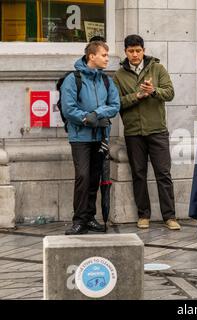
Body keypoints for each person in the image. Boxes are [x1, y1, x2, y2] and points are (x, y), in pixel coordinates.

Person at [113, 34, 181, 230]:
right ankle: (144, 215)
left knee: (163, 173)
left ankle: (170, 216)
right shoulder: (119, 75)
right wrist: (137, 95)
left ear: (143, 50)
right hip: (134, 132)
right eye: (130, 51)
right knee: (139, 174)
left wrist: (153, 91)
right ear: (125, 52)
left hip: (157, 130)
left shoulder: (157, 68)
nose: (135, 55)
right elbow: (117, 103)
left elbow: (170, 93)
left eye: (138, 51)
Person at [62, 40, 120, 235]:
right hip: (80, 138)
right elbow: (68, 109)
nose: (107, 59)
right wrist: (89, 119)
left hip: (100, 137)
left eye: (107, 55)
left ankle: (90, 217)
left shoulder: (106, 80)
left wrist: (97, 113)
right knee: (83, 177)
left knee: (95, 178)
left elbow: (115, 105)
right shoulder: (73, 79)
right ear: (91, 56)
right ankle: (79, 220)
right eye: (104, 55)